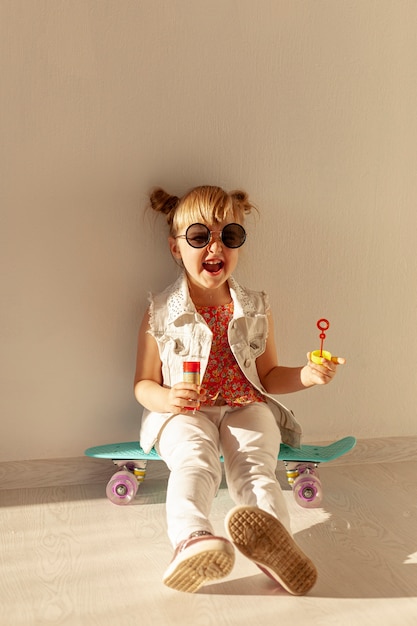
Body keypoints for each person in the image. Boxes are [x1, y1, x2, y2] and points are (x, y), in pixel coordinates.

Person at [134, 185, 345, 594]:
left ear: (239, 245)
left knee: (255, 467)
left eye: (228, 236)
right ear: (176, 248)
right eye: (199, 237)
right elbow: (142, 383)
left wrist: (305, 374)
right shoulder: (160, 310)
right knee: (194, 463)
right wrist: (166, 398)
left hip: (245, 405)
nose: (215, 247)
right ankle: (191, 539)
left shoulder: (254, 306)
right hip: (185, 412)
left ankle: (276, 543)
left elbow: (267, 377)